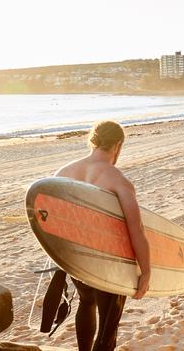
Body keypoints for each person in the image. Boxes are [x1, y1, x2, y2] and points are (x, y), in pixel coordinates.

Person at [54, 121, 151, 351]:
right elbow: (136, 229)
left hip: (76, 260)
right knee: (109, 323)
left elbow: (52, 221)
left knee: (86, 302)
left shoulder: (63, 172)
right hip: (109, 262)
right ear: (117, 145)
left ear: (94, 141)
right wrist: (145, 271)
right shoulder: (118, 181)